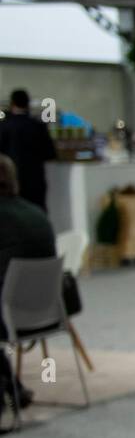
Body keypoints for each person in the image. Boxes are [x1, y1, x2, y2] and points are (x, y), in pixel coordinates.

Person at [0, 153, 55, 421]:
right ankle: (13, 388)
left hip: (11, 315)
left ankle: (9, 388)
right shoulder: (36, 212)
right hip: (48, 311)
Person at [0, 90, 57, 212]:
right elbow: (50, 153)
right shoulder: (38, 126)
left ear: (12, 103)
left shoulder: (4, 126)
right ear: (27, 104)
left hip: (12, 181)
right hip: (35, 180)